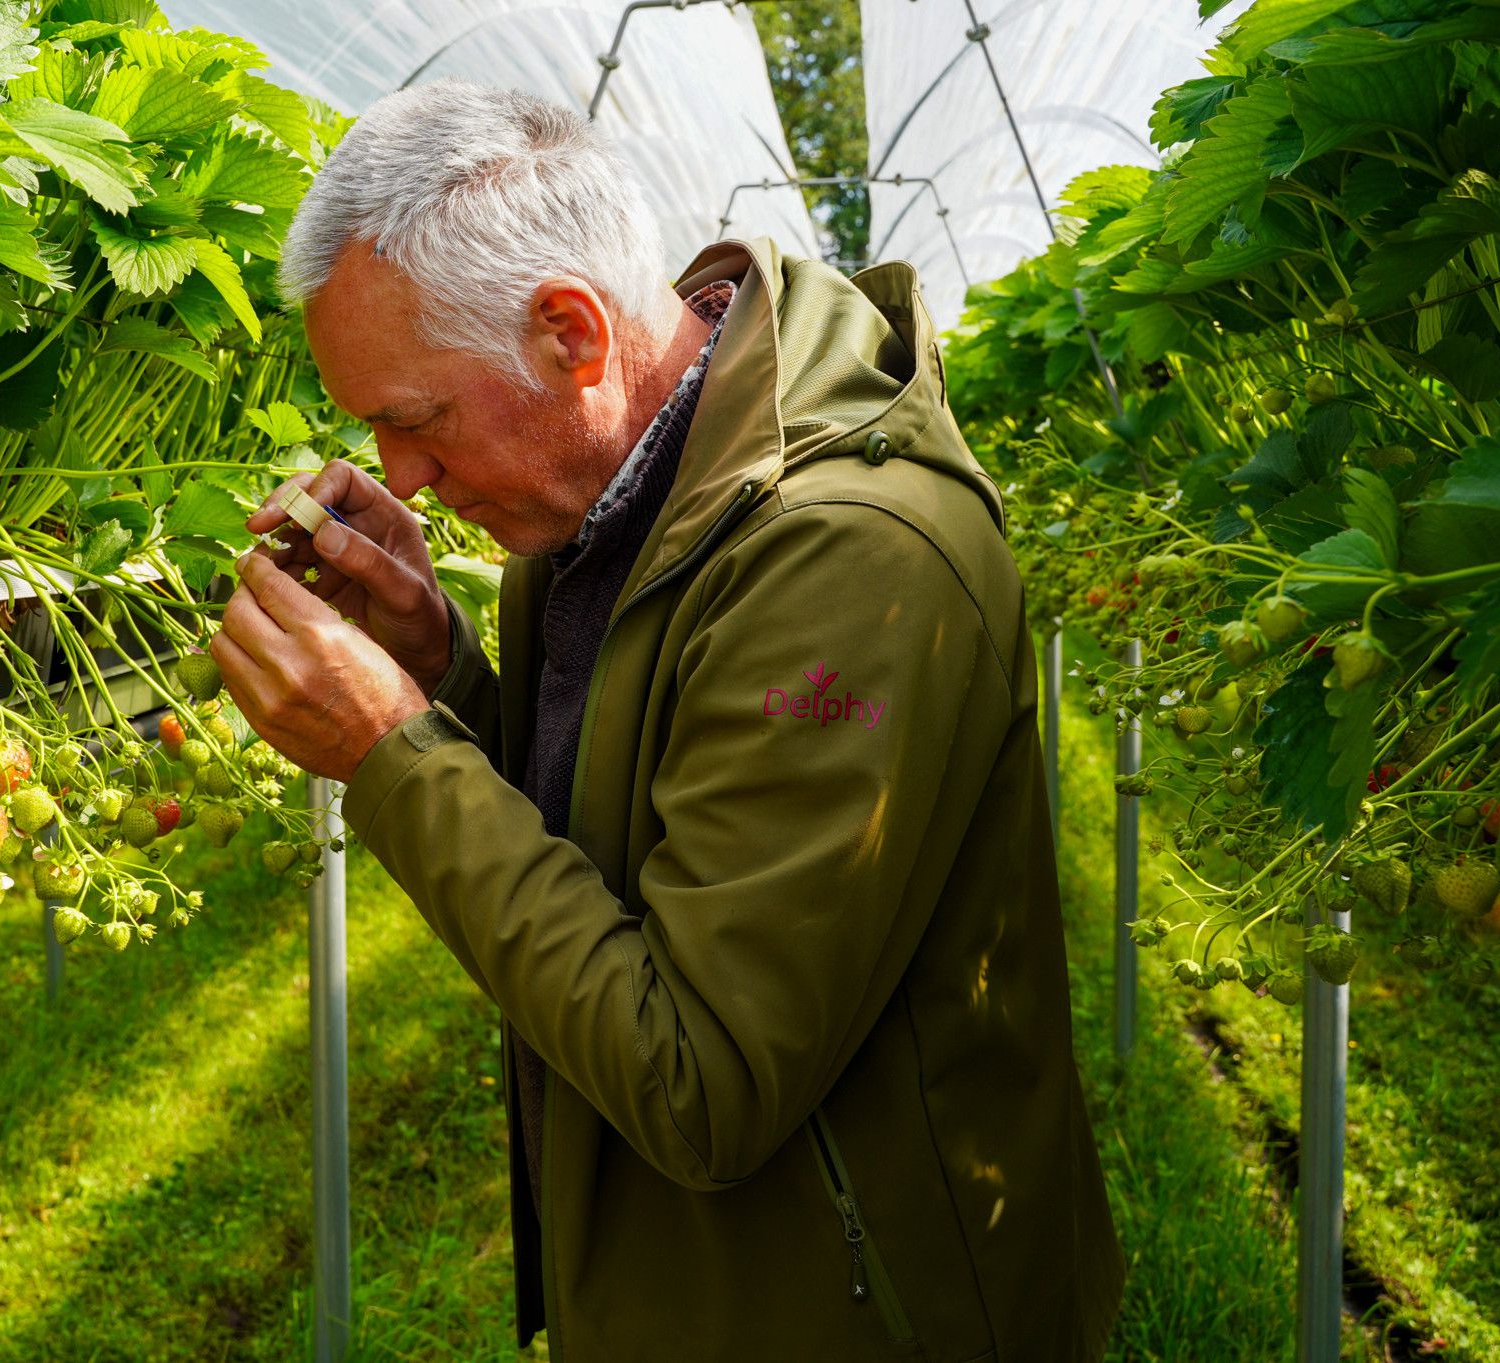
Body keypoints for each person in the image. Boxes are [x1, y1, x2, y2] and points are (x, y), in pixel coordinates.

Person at [210, 81, 1121, 1361]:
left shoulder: (848, 559)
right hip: (710, 1286)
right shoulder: (610, 493)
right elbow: (613, 830)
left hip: (860, 1310)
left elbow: (702, 1077)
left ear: (569, 334)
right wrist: (438, 659)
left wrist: (389, 752)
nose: (396, 470)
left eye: (412, 419)